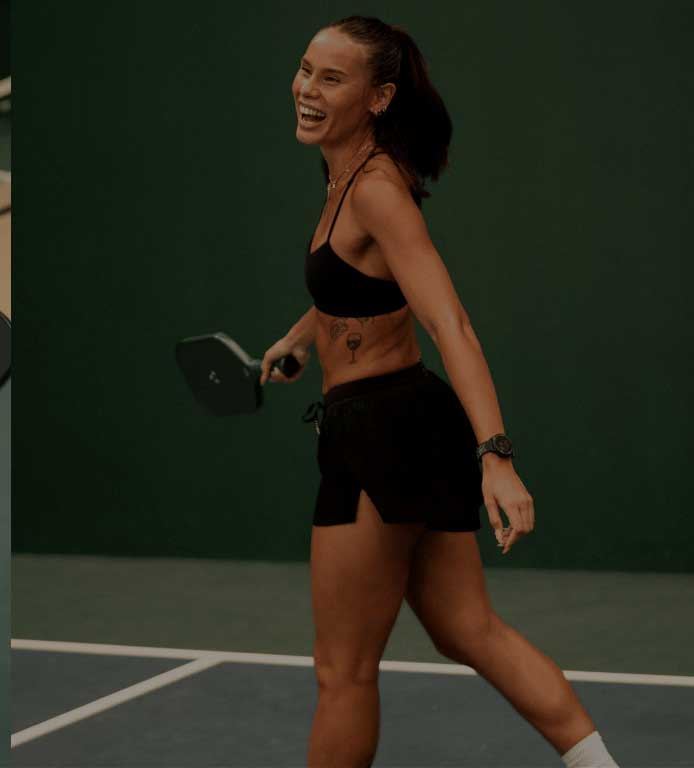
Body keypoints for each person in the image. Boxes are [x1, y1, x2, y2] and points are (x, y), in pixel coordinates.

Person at [257, 17, 619, 768]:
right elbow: (361, 284)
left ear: (380, 95)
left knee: (342, 671)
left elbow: (450, 322)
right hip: (410, 419)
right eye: (305, 70)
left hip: (378, 435)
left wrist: (497, 457)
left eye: (331, 78)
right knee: (467, 630)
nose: (307, 88)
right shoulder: (347, 173)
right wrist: (300, 338)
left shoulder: (377, 189)